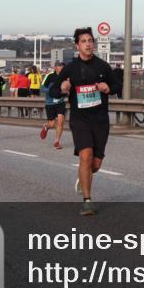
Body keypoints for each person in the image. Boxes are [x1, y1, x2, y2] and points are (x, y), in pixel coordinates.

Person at [49, 27, 121, 216]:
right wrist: (63, 88)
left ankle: (84, 177)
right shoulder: (70, 69)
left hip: (100, 120)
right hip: (80, 119)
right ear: (77, 45)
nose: (88, 44)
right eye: (84, 41)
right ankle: (87, 201)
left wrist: (107, 88)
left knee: (95, 164)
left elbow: (116, 86)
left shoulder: (103, 67)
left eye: (90, 41)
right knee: (86, 157)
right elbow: (52, 91)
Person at [40, 62, 67, 150]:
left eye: (63, 67)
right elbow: (42, 88)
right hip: (50, 102)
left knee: (60, 121)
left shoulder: (66, 77)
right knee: (52, 124)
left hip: (61, 102)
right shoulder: (49, 76)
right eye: (60, 66)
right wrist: (53, 90)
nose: (62, 68)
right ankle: (46, 127)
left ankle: (57, 141)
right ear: (55, 67)